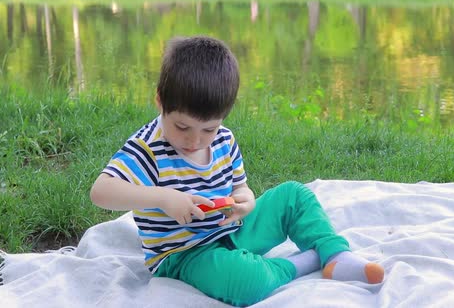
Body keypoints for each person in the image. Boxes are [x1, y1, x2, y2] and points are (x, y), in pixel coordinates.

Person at [90, 36, 384, 306]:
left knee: (294, 195)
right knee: (247, 282)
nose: (194, 140)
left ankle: (335, 254)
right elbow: (101, 192)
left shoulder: (224, 140)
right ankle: (307, 262)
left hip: (231, 230)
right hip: (185, 255)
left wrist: (246, 200)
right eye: (182, 127)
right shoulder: (148, 148)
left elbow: (239, 188)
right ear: (160, 102)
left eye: (208, 128)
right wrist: (163, 198)